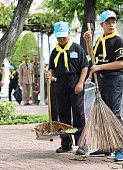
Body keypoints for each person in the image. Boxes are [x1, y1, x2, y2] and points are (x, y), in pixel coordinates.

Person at [83, 10, 123, 161]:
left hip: (114, 79)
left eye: (113, 22)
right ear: (101, 24)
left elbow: (122, 63)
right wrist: (88, 42)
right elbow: (93, 58)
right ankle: (106, 147)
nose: (111, 25)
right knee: (102, 113)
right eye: (108, 22)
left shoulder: (118, 40)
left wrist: (100, 68)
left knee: (114, 113)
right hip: (101, 80)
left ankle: (120, 148)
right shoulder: (101, 39)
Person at [46, 21, 88, 155]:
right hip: (60, 85)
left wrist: (81, 83)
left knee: (78, 114)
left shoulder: (77, 48)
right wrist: (49, 74)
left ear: (69, 34)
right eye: (59, 37)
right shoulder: (55, 51)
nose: (61, 39)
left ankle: (82, 143)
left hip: (75, 83)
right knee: (63, 114)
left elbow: (85, 66)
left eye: (63, 36)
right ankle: (66, 143)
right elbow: (52, 68)